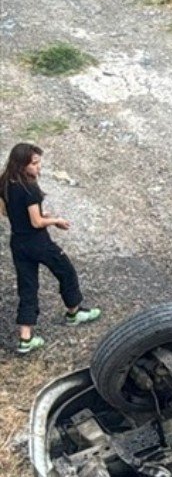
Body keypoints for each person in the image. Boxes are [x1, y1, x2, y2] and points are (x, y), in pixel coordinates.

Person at [4, 142, 100, 354]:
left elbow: (4, 212)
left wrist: (35, 216)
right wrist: (55, 220)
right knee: (66, 270)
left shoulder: (5, 183)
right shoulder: (30, 188)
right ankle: (74, 312)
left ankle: (25, 338)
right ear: (22, 165)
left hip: (18, 243)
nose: (39, 167)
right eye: (35, 163)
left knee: (27, 287)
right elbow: (37, 223)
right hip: (38, 243)